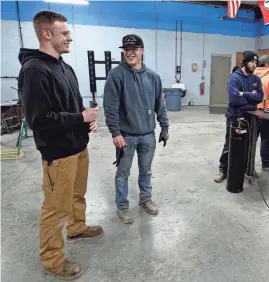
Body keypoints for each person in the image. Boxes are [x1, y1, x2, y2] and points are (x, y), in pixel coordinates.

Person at [17, 10, 103, 280]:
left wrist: (86, 121)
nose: (70, 37)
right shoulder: (34, 71)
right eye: (64, 33)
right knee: (55, 209)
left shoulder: (64, 66)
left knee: (77, 195)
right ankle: (53, 260)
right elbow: (39, 120)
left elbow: (75, 105)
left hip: (78, 146)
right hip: (58, 152)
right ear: (47, 34)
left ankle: (77, 227)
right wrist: (79, 117)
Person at [103, 34, 169, 224]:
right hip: (126, 137)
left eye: (134, 49)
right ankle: (122, 206)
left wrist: (164, 127)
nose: (130, 53)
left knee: (146, 171)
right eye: (126, 50)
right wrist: (115, 132)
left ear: (142, 51)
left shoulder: (153, 77)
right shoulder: (116, 75)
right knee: (123, 173)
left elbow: (160, 105)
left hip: (148, 135)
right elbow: (110, 107)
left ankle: (145, 199)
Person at [214, 51, 264, 183]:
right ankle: (223, 170)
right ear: (245, 62)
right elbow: (235, 99)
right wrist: (250, 98)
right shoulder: (234, 78)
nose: (254, 65)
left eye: (256, 62)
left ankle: (245, 169)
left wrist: (244, 94)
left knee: (248, 144)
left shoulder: (256, 79)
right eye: (252, 62)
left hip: (250, 119)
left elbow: (260, 97)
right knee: (230, 145)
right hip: (235, 118)